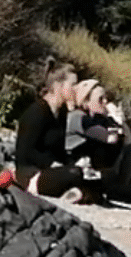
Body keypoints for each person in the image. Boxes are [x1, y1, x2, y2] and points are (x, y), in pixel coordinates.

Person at [13, 64, 100, 204]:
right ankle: (78, 192)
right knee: (75, 174)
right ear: (58, 85)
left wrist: (75, 163)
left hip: (54, 171)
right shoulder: (37, 112)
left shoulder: (62, 113)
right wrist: (54, 164)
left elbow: (59, 150)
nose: (76, 89)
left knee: (96, 177)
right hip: (32, 173)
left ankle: (77, 192)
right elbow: (25, 153)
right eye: (73, 84)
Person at [72, 80, 131, 204]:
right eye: (100, 99)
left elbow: (129, 140)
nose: (105, 102)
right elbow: (110, 139)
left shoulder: (99, 119)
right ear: (86, 100)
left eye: (105, 98)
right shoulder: (79, 117)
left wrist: (122, 122)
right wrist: (117, 120)